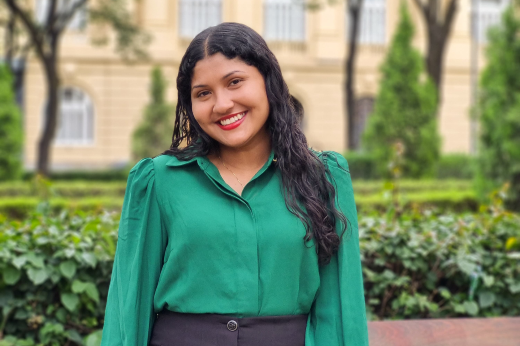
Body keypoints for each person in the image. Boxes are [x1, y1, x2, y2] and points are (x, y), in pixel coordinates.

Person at [100, 22, 368, 346]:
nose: (222, 104)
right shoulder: (158, 181)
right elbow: (129, 307)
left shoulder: (322, 177)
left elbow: (341, 310)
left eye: (235, 82)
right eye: (203, 93)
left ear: (269, 82)